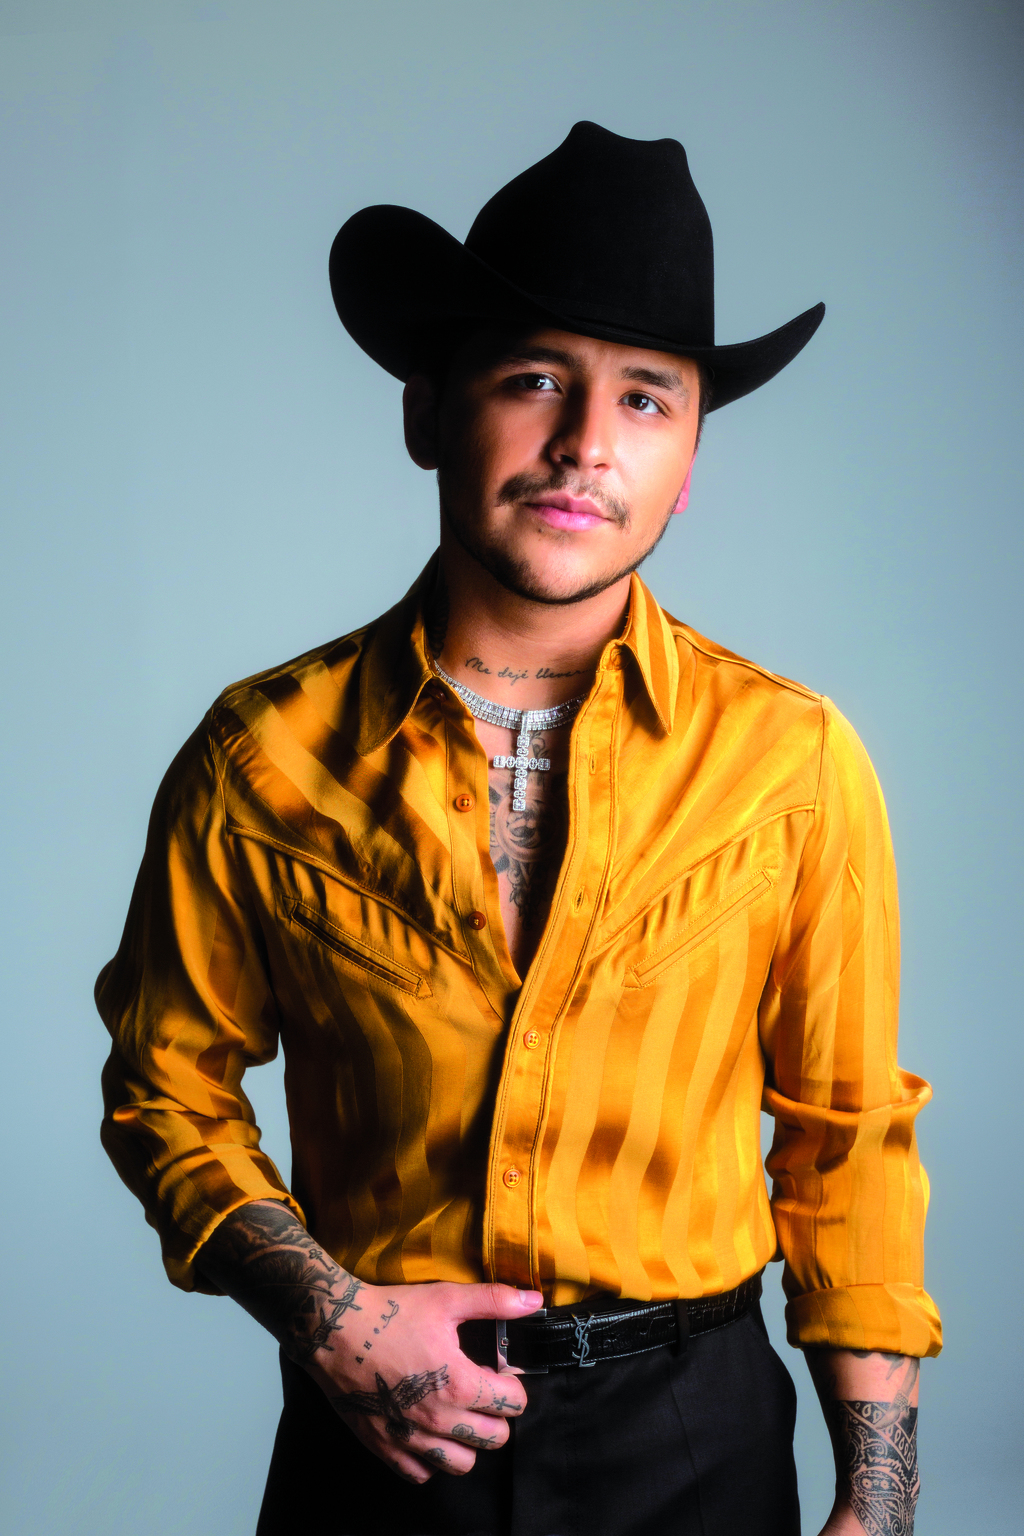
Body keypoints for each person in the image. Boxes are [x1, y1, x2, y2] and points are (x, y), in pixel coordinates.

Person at [96, 122, 941, 1536]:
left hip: (697, 1438)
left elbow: (845, 1138)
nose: (586, 444)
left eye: (647, 400)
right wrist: (331, 1317)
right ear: (429, 414)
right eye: (535, 378)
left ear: (689, 464)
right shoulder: (259, 756)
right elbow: (164, 1090)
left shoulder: (792, 761)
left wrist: (883, 1501)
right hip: (381, 1440)